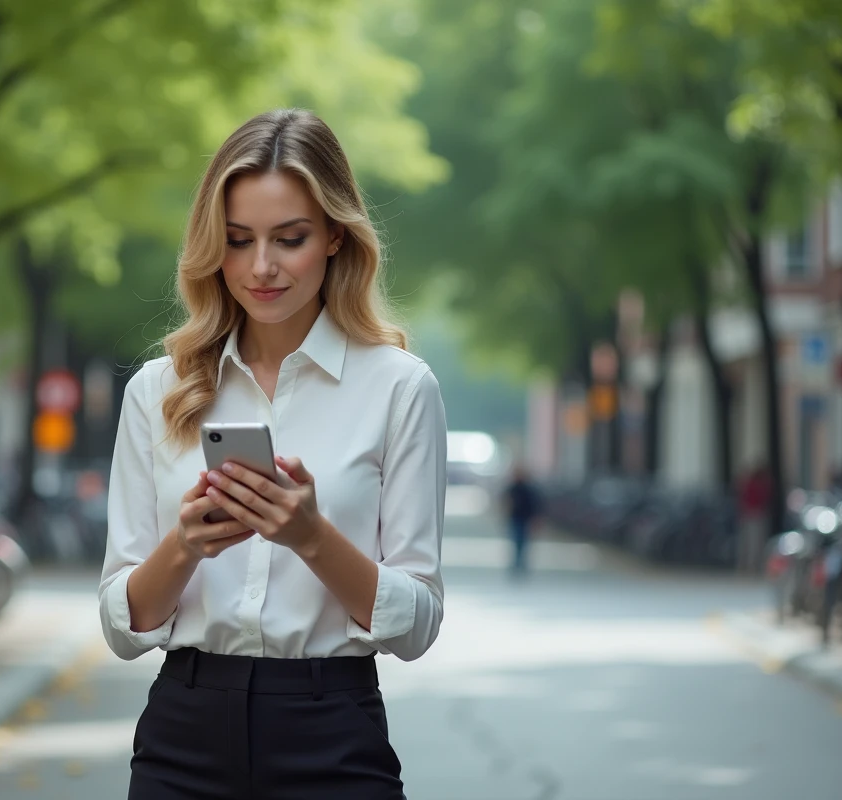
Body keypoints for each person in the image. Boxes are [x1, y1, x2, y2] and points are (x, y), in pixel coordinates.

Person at [98, 109, 447, 799]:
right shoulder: (157, 391)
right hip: (183, 732)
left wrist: (311, 536)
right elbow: (123, 623)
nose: (261, 267)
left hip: (333, 730)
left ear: (335, 239)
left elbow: (417, 623)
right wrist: (185, 546)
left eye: (289, 239)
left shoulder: (399, 387)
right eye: (237, 240)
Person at [503, 464, 540, 578]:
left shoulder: (529, 489)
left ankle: (521, 563)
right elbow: (506, 502)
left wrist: (535, 519)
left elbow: (535, 506)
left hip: (525, 519)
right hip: (515, 519)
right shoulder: (512, 488)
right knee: (516, 542)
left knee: (523, 543)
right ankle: (517, 563)